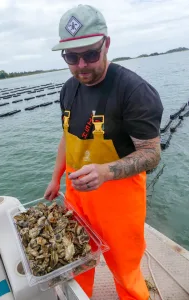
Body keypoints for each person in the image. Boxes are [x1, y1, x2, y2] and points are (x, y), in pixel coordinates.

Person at [44, 4, 163, 300]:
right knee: (76, 261)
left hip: (118, 201)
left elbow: (151, 153)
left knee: (124, 269)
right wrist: (55, 177)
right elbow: (67, 137)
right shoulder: (68, 89)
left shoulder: (134, 91)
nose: (81, 65)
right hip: (76, 194)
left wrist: (105, 171)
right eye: (71, 57)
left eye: (90, 54)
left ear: (106, 44)